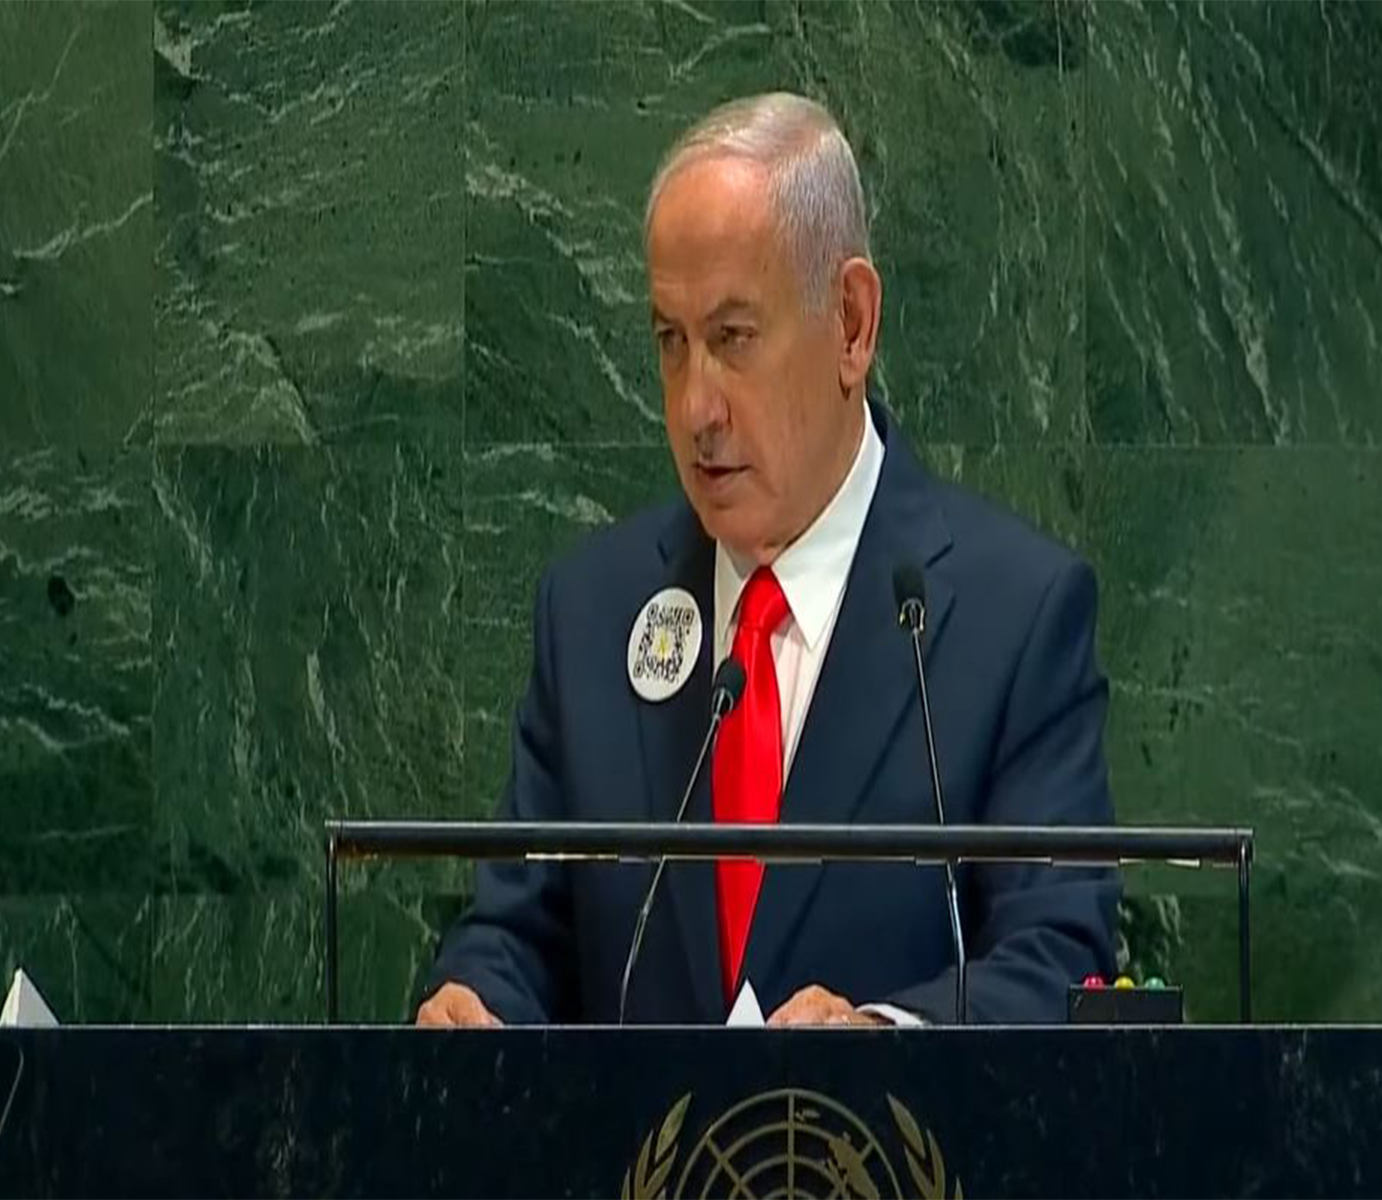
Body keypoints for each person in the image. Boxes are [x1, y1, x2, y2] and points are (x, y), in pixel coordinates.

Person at [418, 92, 1117, 1028]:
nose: (696, 406)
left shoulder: (1012, 616)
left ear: (852, 326)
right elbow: (518, 932)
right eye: (672, 343)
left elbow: (1059, 957)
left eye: (733, 339)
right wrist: (477, 1000)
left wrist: (882, 1037)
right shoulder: (593, 612)